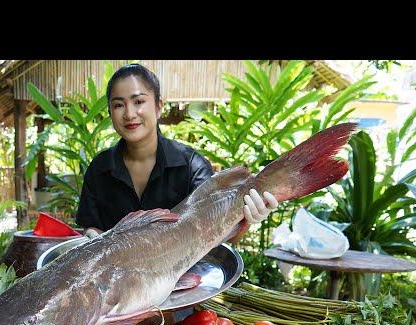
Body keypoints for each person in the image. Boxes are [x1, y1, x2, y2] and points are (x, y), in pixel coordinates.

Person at [76, 63, 278, 240]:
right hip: (119, 280)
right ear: (110, 112)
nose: (129, 114)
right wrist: (91, 235)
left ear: (158, 107)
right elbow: (92, 226)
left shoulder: (192, 166)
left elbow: (218, 231)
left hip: (184, 277)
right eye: (119, 105)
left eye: (138, 102)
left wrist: (248, 218)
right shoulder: (99, 168)